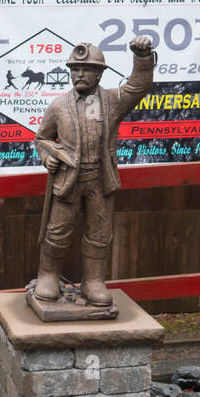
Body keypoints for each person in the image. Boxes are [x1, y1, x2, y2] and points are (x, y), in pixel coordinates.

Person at [33, 36, 156, 306]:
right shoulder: (58, 106)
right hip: (68, 182)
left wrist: (143, 59)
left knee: (99, 233)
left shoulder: (113, 102)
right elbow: (41, 139)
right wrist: (47, 157)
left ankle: (93, 282)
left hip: (100, 181)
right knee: (57, 231)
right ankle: (48, 276)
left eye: (86, 69)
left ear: (100, 74)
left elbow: (138, 86)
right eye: (75, 70)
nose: (79, 74)